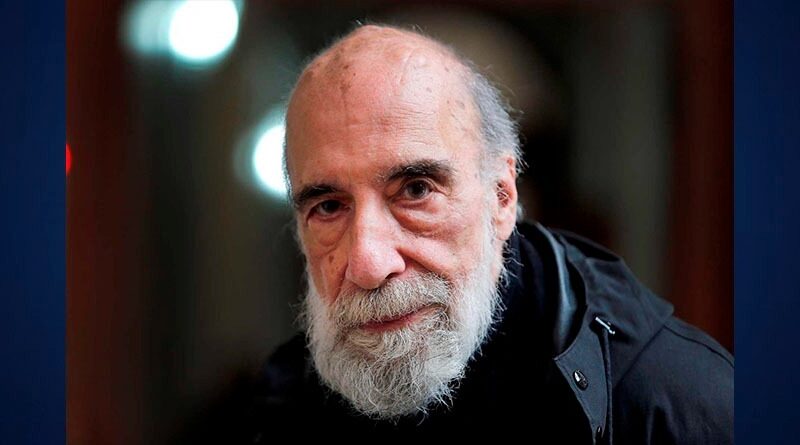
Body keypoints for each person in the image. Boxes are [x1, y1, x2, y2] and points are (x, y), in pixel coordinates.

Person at [245, 25, 733, 443]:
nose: (369, 264)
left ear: (502, 197)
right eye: (329, 207)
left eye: (415, 190)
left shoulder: (680, 408)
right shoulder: (275, 415)